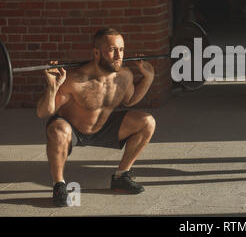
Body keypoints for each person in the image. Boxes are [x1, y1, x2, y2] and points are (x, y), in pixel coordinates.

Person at [36, 28, 156, 206]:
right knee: (57, 129)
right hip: (74, 130)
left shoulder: (124, 76)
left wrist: (148, 78)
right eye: (112, 49)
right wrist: (52, 87)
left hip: (104, 127)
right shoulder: (75, 79)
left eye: (121, 50)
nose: (118, 56)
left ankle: (121, 176)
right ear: (96, 52)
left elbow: (130, 100)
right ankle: (59, 185)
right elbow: (43, 112)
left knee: (147, 121)